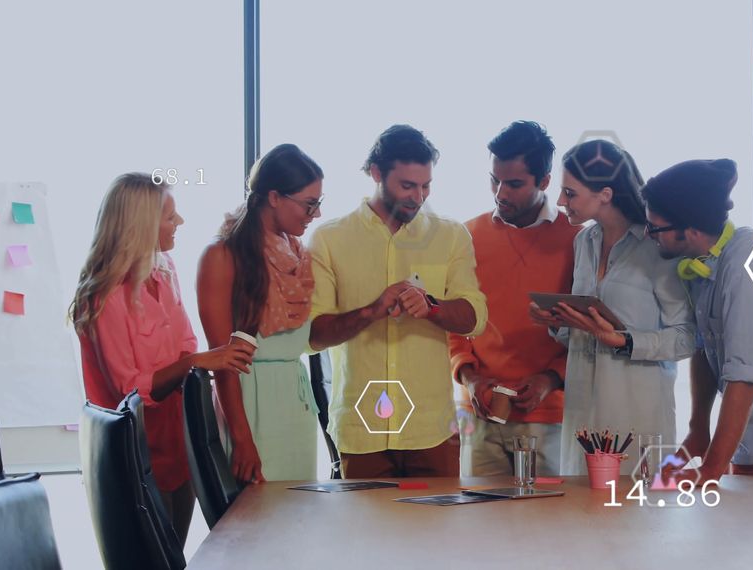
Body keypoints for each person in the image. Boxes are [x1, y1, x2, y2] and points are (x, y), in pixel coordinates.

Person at [72, 173, 254, 546]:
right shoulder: (102, 297)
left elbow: (187, 343)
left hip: (176, 445)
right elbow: (129, 388)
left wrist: (206, 359)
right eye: (171, 216)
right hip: (132, 456)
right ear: (141, 225)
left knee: (175, 555)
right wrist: (199, 361)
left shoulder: (165, 270)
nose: (180, 223)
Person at [309, 124, 488, 478]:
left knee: (436, 535)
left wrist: (432, 307)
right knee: (364, 534)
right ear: (376, 173)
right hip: (362, 431)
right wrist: (371, 312)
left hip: (432, 432)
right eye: (407, 186)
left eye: (426, 186)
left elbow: (475, 317)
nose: (418, 196)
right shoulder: (330, 239)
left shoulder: (451, 236)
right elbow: (313, 336)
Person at [642, 158, 753, 483]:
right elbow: (705, 348)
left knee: (743, 532)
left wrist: (711, 470)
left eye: (655, 228)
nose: (647, 234)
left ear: (692, 230)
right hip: (749, 439)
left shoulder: (746, 267)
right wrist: (698, 431)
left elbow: (744, 374)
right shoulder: (702, 264)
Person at [529, 140, 696, 477]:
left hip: (637, 417)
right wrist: (557, 322)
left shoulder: (656, 247)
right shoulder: (583, 242)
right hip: (583, 417)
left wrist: (624, 340)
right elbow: (581, 334)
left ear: (605, 194)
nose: (561, 202)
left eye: (570, 193)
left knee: (637, 521)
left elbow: (688, 338)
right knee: (579, 519)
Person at [449, 121, 579, 476]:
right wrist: (469, 375)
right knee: (480, 524)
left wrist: (551, 379)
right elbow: (454, 320)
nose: (500, 193)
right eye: (495, 180)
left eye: (515, 184)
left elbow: (590, 330)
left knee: (552, 526)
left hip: (551, 419)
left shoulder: (579, 240)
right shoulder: (467, 236)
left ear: (545, 181)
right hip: (480, 414)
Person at [197, 144, 325, 483]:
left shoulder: (298, 255)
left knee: (298, 521)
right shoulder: (221, 257)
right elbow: (223, 363)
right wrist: (242, 440)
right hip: (251, 409)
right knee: (255, 524)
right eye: (309, 204)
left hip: (295, 408)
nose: (316, 214)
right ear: (274, 197)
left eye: (318, 203)